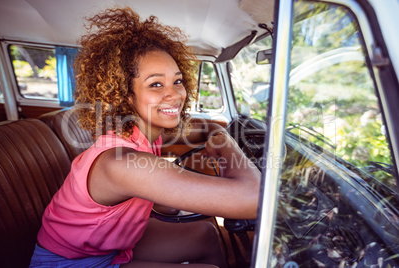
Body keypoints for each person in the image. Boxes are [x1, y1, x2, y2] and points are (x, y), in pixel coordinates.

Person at [30, 7, 261, 268]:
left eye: (178, 81)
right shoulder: (122, 162)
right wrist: (227, 143)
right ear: (125, 95)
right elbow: (254, 199)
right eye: (155, 84)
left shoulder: (143, 134)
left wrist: (217, 135)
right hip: (74, 261)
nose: (175, 94)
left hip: (110, 244)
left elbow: (205, 130)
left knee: (207, 235)